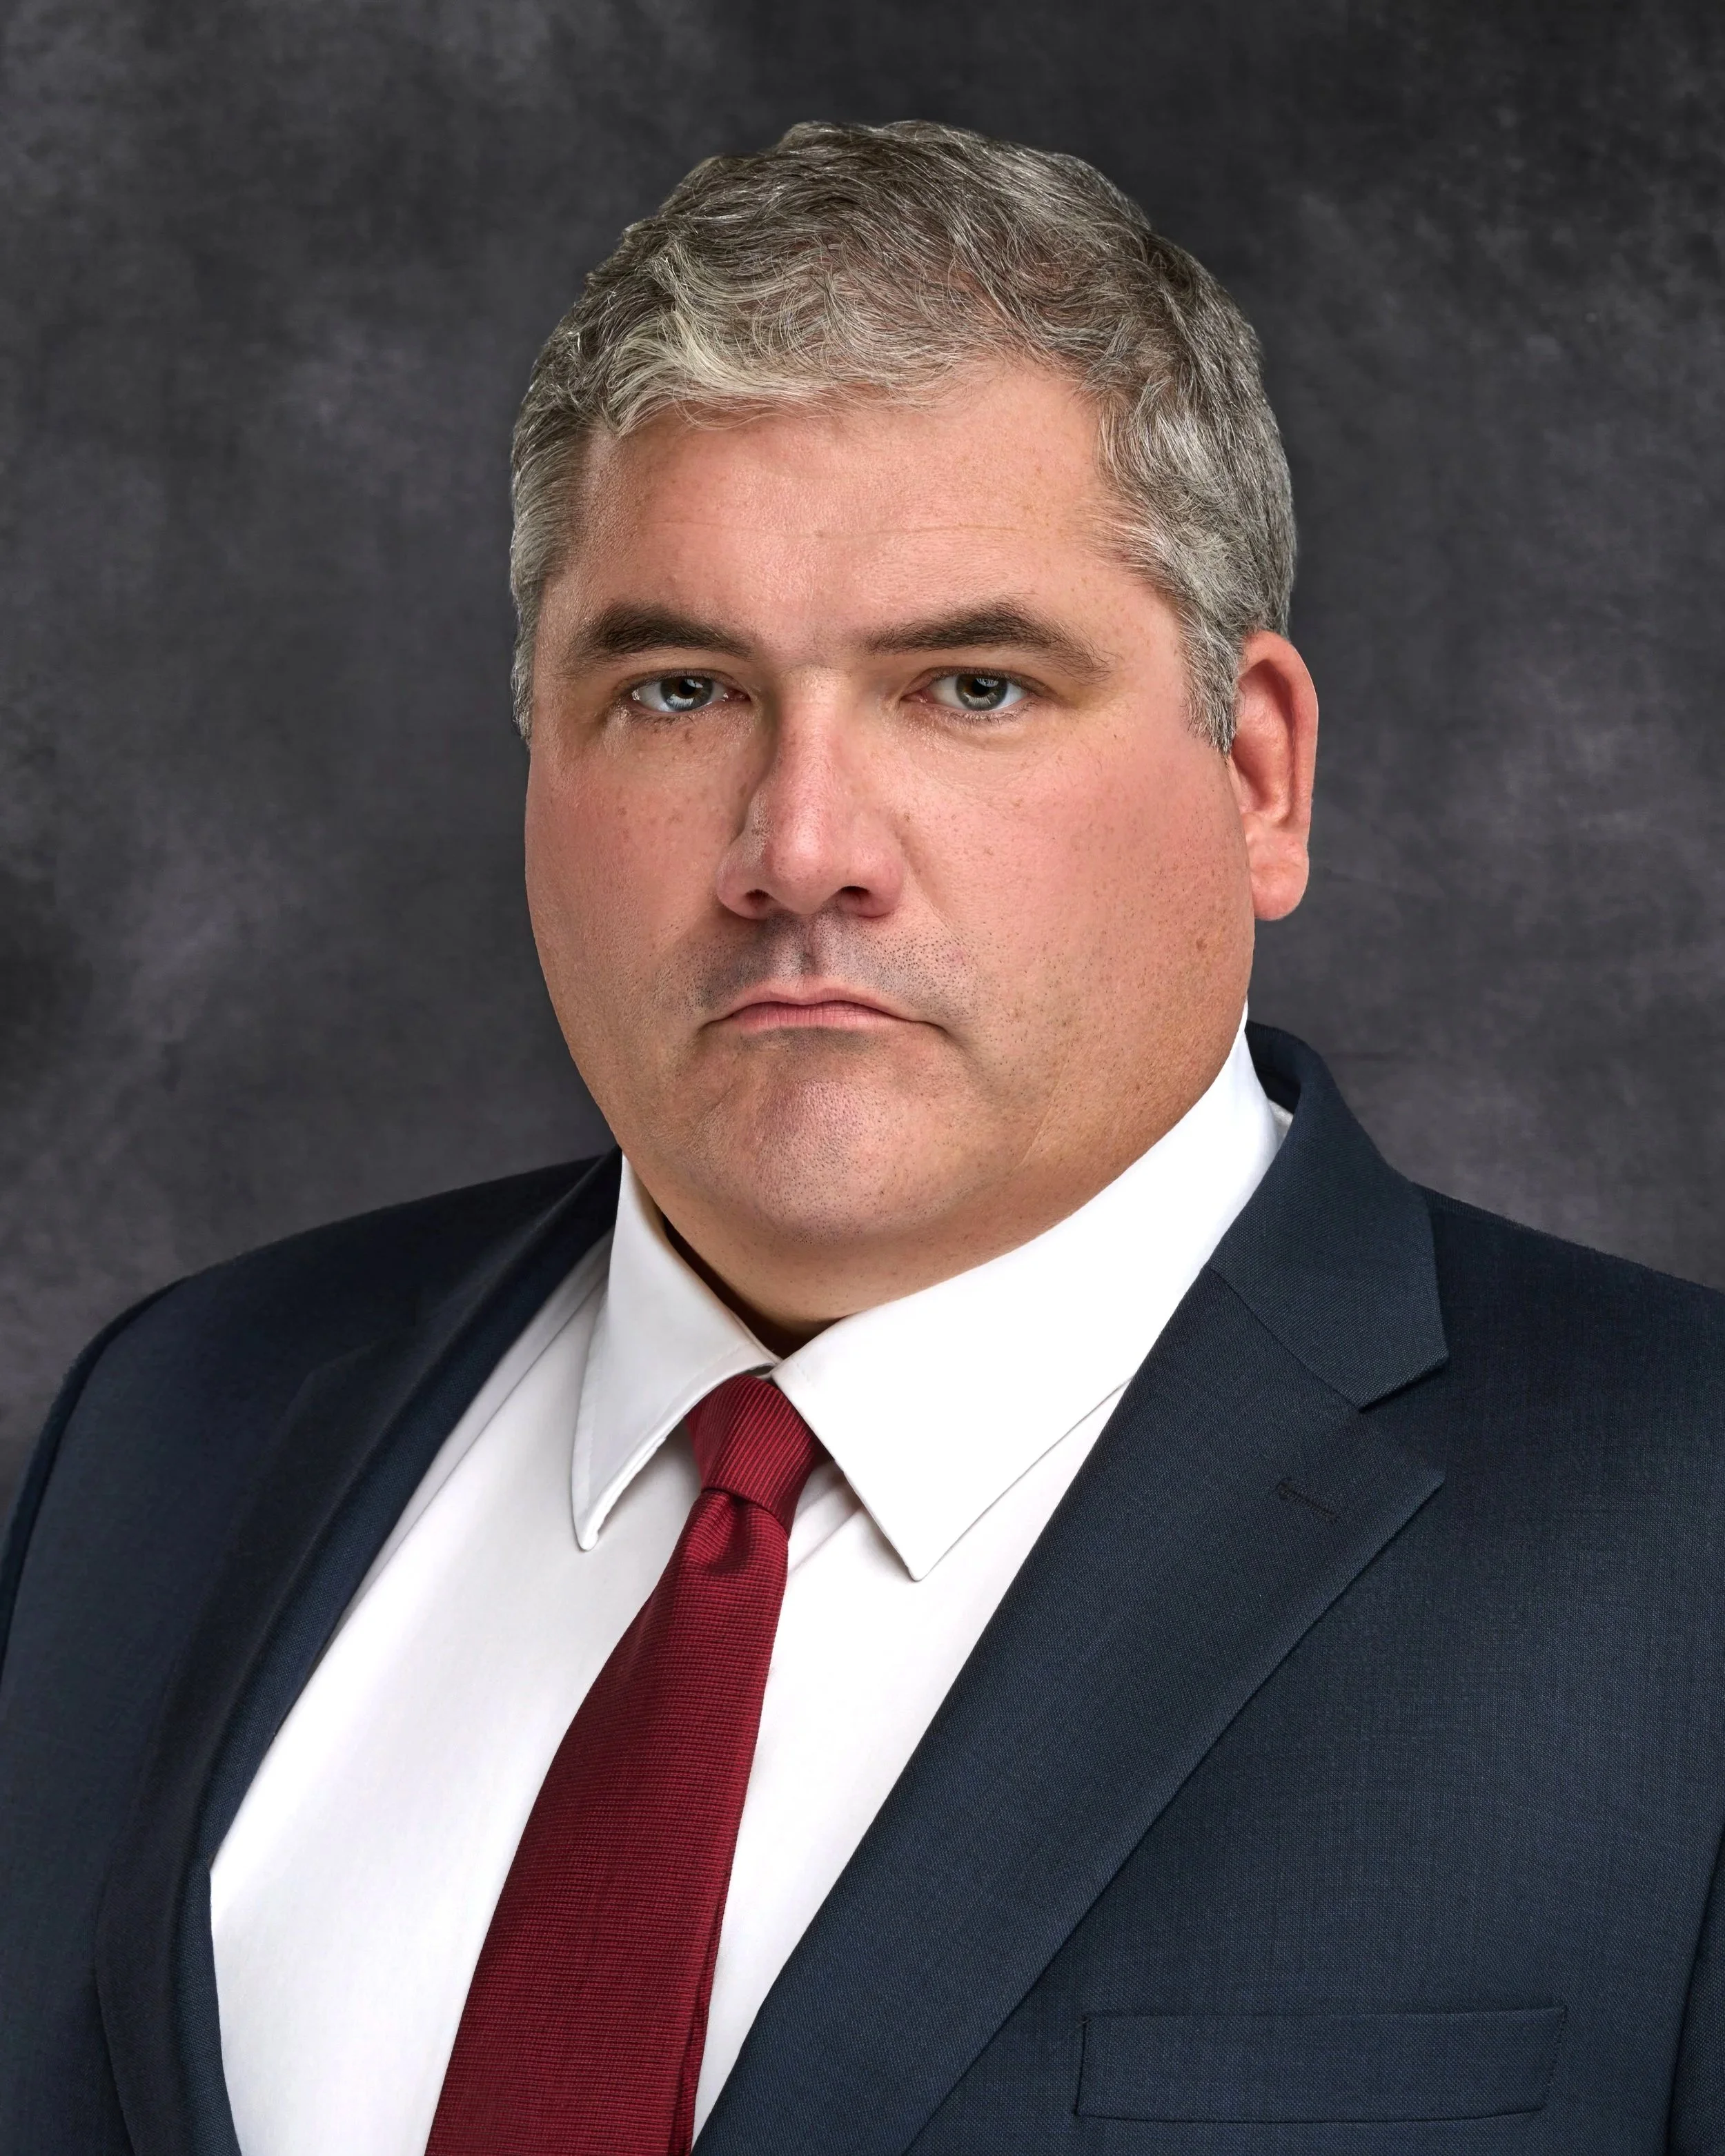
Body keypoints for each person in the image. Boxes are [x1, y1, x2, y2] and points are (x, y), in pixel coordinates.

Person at [3, 118, 1723, 2156]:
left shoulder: (1683, 1533)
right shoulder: (173, 1424)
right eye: (678, 690)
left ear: (1256, 776)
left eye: (970, 687)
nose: (799, 846)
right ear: (535, 756)